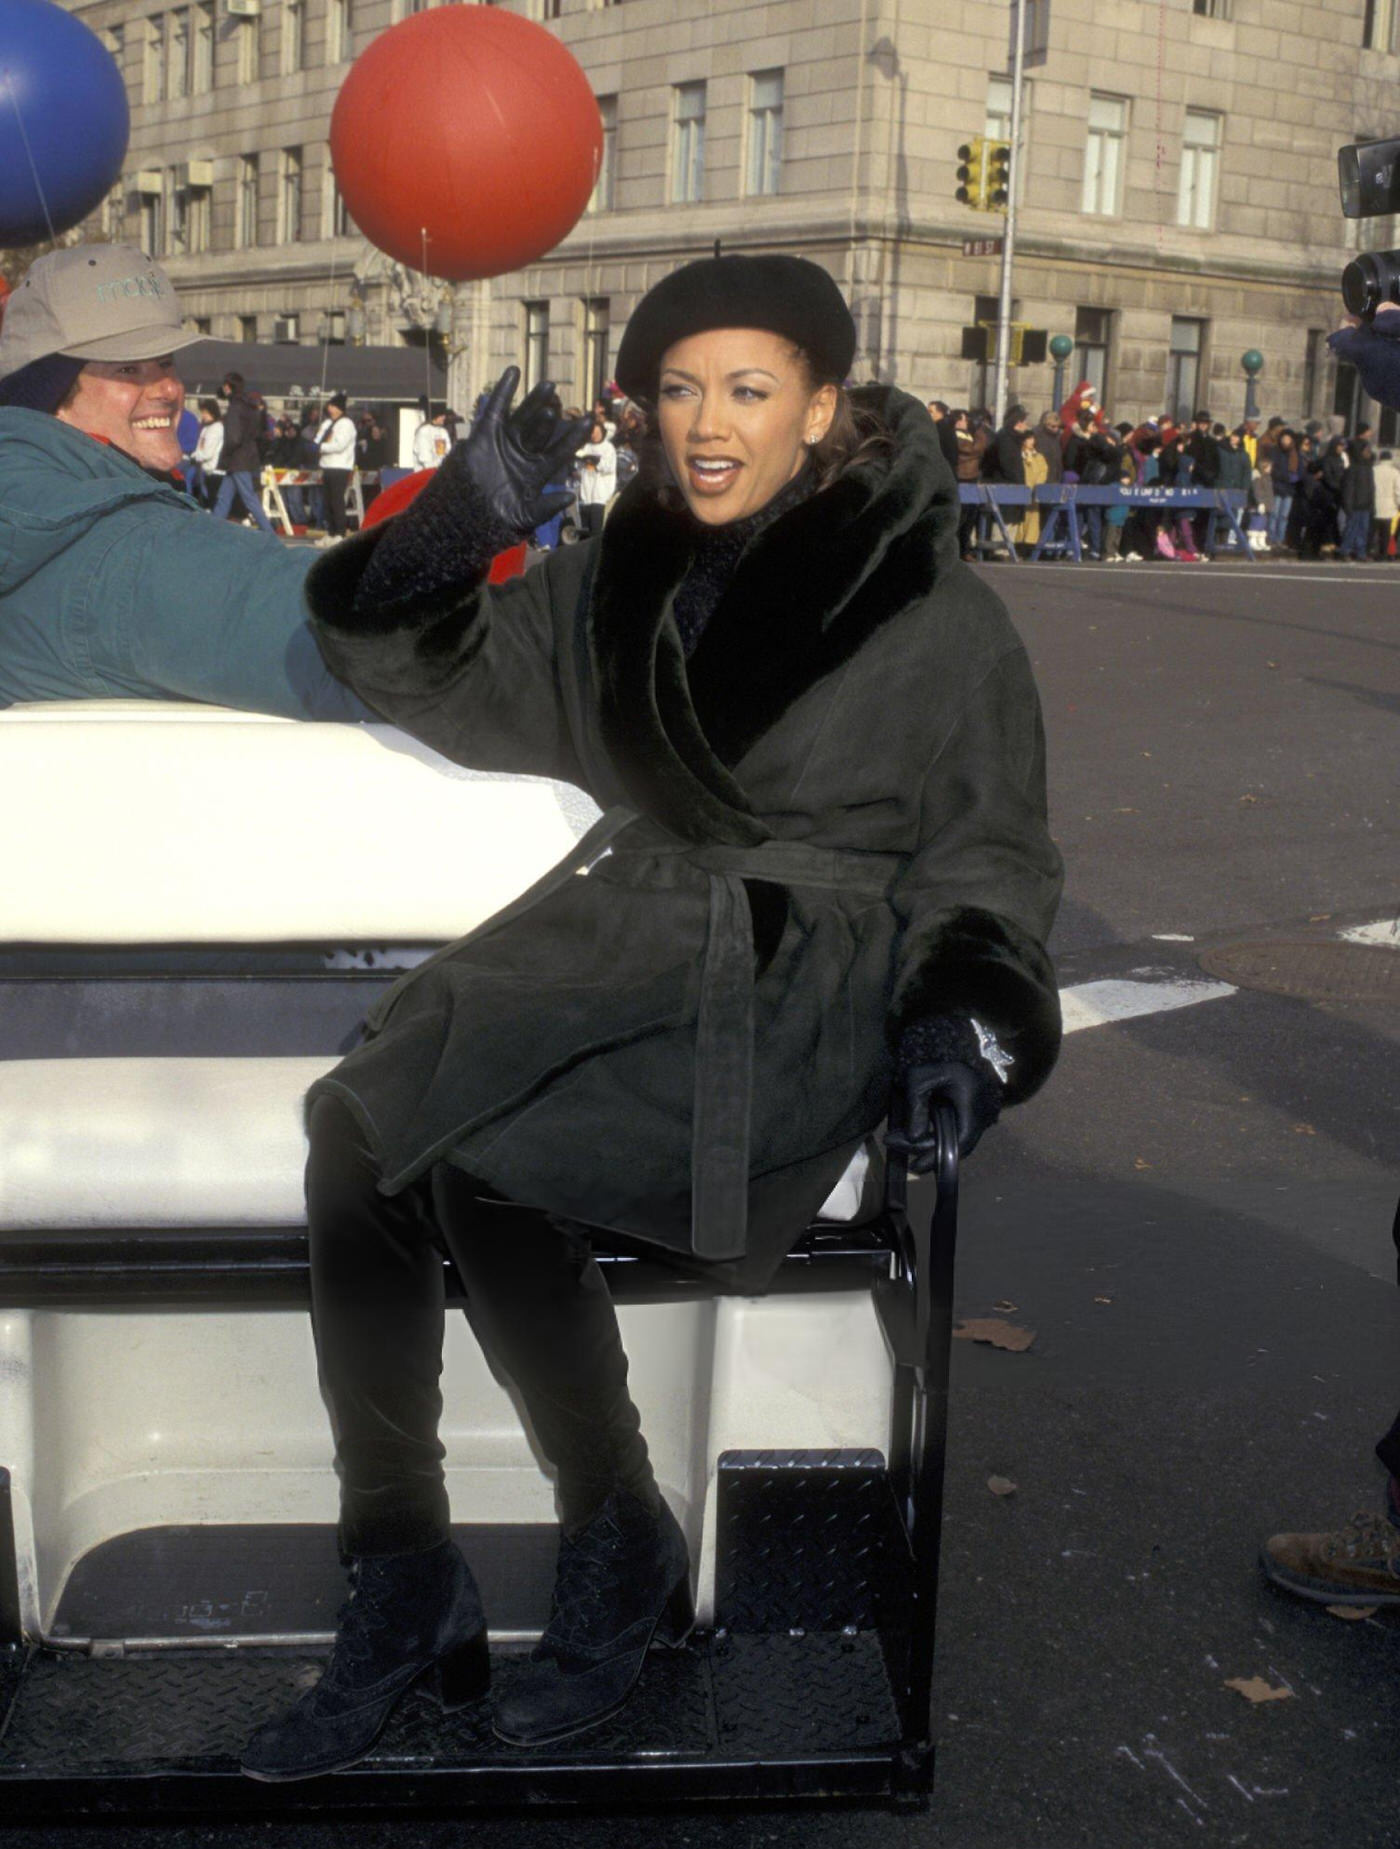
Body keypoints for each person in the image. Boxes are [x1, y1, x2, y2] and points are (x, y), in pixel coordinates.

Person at [237, 253, 1063, 1781]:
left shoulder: (944, 618)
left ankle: (616, 1529)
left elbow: (990, 855)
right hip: (622, 941)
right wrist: (459, 525)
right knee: (358, 1131)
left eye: (748, 390)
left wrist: (962, 1023)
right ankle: (402, 1567)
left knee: (490, 1162)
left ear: (820, 405)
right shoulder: (619, 576)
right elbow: (428, 672)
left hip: (794, 987)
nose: (707, 424)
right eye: (679, 389)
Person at [0, 243, 369, 718]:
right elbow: (329, 634)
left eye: (166, 362)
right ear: (52, 394)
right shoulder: (116, 550)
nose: (169, 389)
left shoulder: (35, 506)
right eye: (128, 368)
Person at [212, 369, 278, 536]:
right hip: (248, 456)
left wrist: (225, 454)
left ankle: (269, 532)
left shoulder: (235, 408)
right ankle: (212, 531)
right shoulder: (250, 406)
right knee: (224, 497)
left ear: (228, 387)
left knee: (248, 498)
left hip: (237, 458)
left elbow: (233, 438)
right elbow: (259, 432)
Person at [316, 392, 358, 546]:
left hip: (340, 466)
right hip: (326, 465)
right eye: (330, 406)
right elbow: (318, 439)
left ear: (340, 408)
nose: (330, 409)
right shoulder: (327, 423)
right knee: (327, 501)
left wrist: (321, 447)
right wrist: (315, 445)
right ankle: (330, 532)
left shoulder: (346, 424)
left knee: (336, 500)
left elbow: (340, 445)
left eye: (333, 406)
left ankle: (340, 532)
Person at [574, 415, 617, 537]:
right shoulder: (586, 446)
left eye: (597, 432)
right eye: (592, 432)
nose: (595, 435)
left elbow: (609, 467)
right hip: (585, 493)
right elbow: (578, 466)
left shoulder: (608, 448)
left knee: (595, 530)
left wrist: (596, 462)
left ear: (602, 432)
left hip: (599, 494)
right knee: (585, 530)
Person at [184, 397, 223, 509]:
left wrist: (193, 457)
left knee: (209, 500)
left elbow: (207, 453)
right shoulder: (206, 428)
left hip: (211, 470)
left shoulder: (216, 428)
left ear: (212, 413)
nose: (203, 415)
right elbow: (200, 448)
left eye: (205, 413)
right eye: (202, 412)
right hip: (202, 468)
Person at [1372, 444, 1399, 558]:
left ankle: (1374, 552)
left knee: (1375, 532)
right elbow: (1398, 491)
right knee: (1388, 533)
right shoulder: (1395, 472)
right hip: (1390, 507)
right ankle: (1387, 553)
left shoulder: (1373, 470)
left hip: (1375, 505)